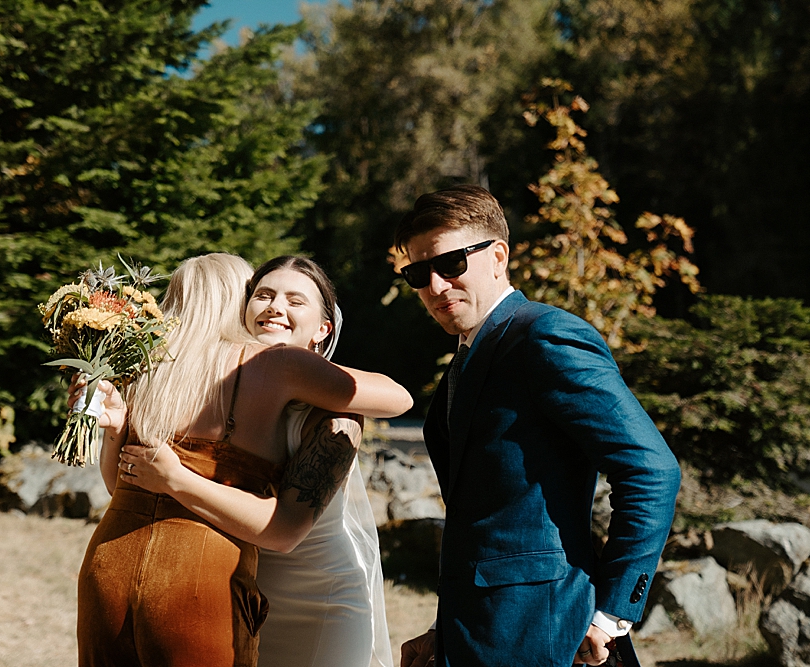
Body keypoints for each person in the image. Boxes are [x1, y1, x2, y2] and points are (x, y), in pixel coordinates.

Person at [72, 253, 413, 667]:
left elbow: (400, 398)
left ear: (324, 328)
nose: (275, 307)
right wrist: (117, 432)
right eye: (263, 294)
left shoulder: (311, 390)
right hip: (238, 576)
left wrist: (306, 372)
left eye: (295, 301)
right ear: (242, 305)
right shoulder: (201, 385)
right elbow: (124, 487)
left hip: (316, 592)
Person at [394, 185, 680, 667]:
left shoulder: (544, 336)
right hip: (480, 633)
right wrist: (444, 631)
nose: (435, 286)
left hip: (552, 634)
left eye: (450, 265)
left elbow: (651, 469)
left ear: (498, 256)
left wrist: (611, 615)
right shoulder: (467, 356)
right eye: (418, 273)